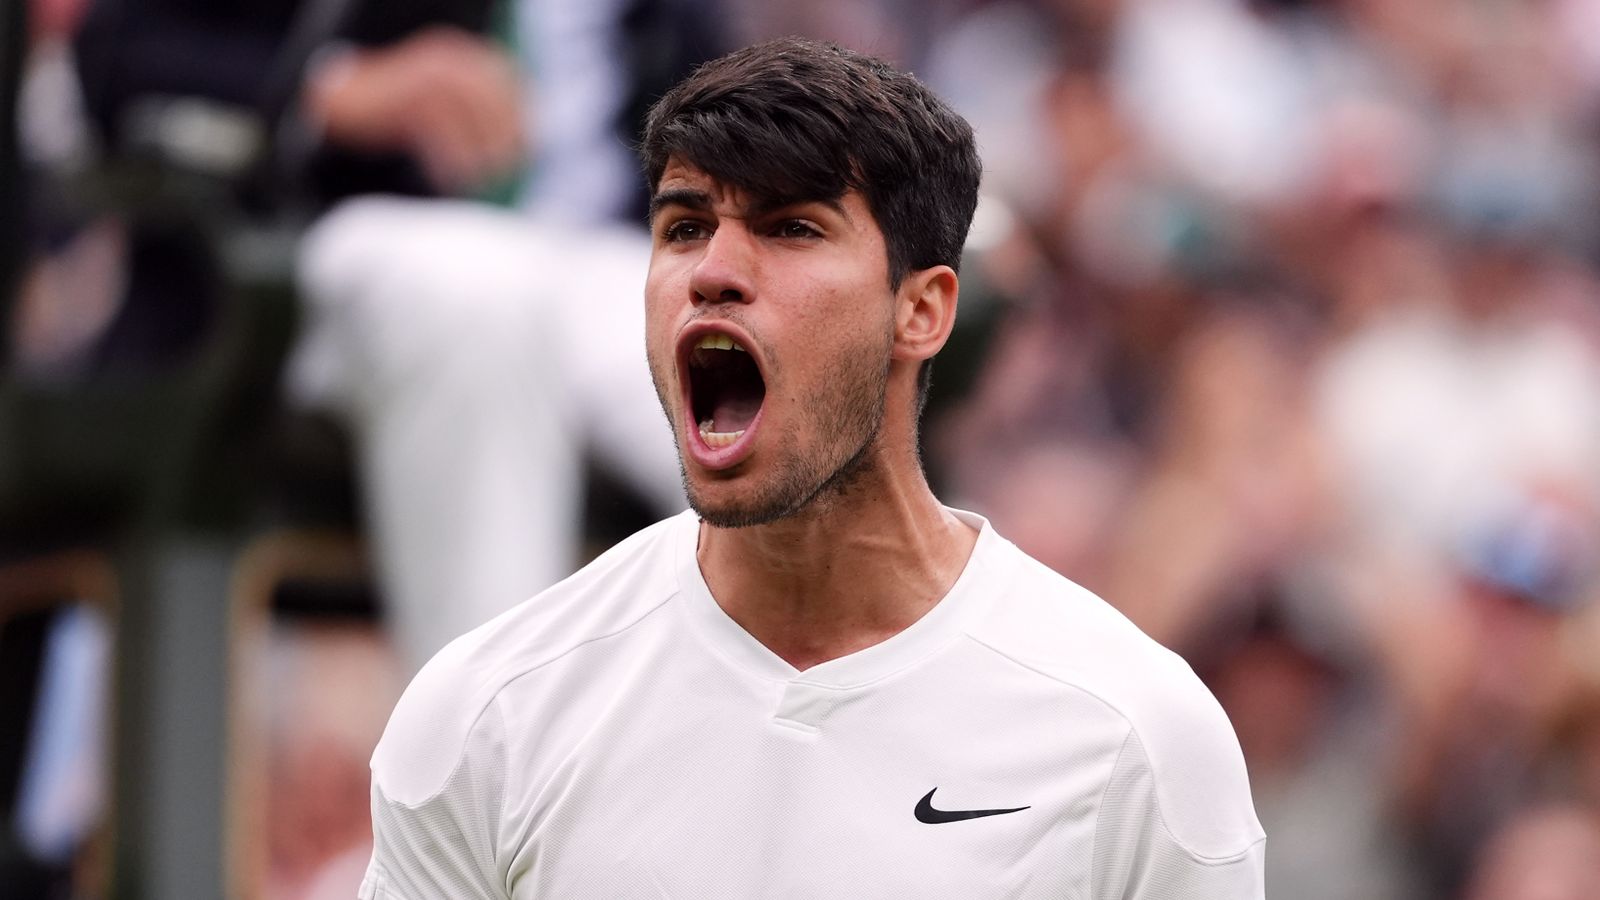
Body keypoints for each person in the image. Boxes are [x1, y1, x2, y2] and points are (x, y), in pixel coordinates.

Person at [360, 37, 1265, 898]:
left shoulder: (1134, 733)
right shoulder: (485, 713)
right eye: (683, 227)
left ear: (922, 310)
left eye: (790, 228)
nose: (713, 270)